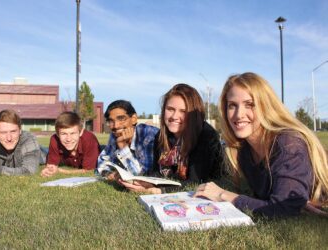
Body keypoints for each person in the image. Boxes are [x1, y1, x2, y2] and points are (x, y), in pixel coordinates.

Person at [194, 72, 328, 217]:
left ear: (266, 106)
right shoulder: (243, 150)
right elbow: (272, 201)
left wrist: (222, 195)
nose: (239, 115)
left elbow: (283, 209)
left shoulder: (288, 144)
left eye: (250, 104)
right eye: (232, 105)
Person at [120, 83, 224, 194]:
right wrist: (140, 181)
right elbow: (157, 174)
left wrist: (157, 191)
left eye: (183, 111)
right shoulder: (161, 136)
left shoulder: (206, 135)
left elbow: (195, 182)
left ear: (194, 115)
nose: (174, 116)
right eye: (170, 109)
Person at [96, 100, 159, 179]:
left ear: (134, 119)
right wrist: (109, 174)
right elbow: (102, 161)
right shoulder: (115, 135)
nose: (116, 126)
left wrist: (123, 147)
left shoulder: (147, 134)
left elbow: (143, 175)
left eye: (121, 118)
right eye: (111, 121)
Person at [41, 111, 100, 177]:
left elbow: (89, 170)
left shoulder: (89, 140)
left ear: (80, 132)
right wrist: (49, 170)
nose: (68, 139)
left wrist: (61, 171)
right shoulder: (54, 139)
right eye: (64, 134)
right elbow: (51, 166)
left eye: (73, 133)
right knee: (42, 152)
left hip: (99, 151)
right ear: (57, 134)